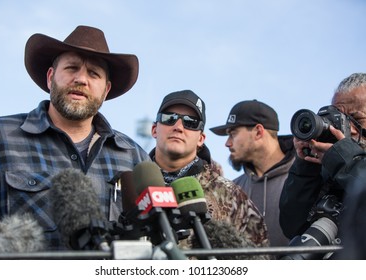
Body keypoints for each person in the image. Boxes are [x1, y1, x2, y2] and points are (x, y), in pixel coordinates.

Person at [0, 25, 150, 251]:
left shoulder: (135, 158)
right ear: (51, 77)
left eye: (93, 73)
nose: (81, 79)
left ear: (106, 90)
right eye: (71, 68)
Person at [149, 90, 270, 256]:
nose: (178, 127)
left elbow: (262, 262)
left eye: (190, 122)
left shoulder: (232, 196)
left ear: (201, 139)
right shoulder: (126, 184)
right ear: (154, 129)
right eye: (169, 118)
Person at [279, 73, 366, 259]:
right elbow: (291, 225)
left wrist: (344, 159)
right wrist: (305, 166)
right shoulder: (331, 165)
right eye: (340, 119)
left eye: (356, 118)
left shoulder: (341, 161)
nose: (348, 129)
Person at [210, 100, 295, 248]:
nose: (227, 143)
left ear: (258, 132)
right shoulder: (232, 189)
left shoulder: (306, 177)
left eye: (233, 134)